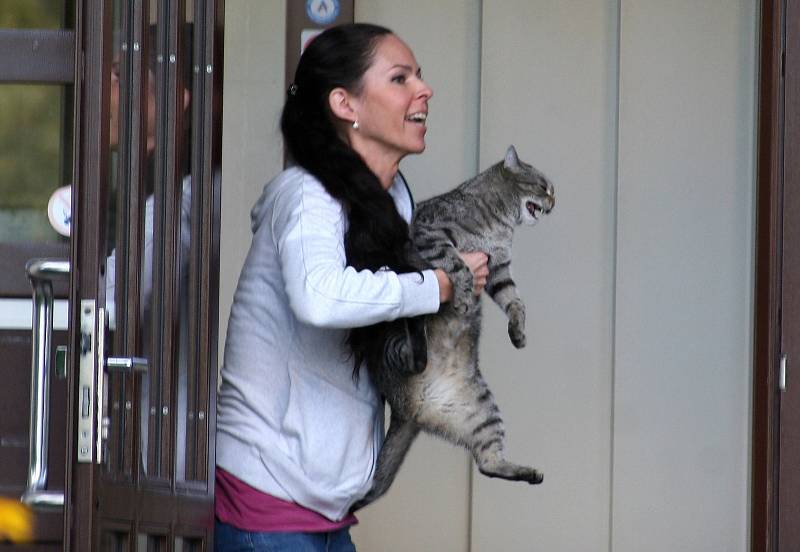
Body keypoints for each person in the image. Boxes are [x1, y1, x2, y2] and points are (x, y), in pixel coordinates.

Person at [214, 23, 489, 551]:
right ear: (345, 103)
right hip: (267, 499)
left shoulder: (393, 202)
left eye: (420, 77)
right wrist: (436, 286)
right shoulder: (307, 195)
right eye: (400, 78)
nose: (423, 90)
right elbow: (320, 296)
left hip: (325, 506)